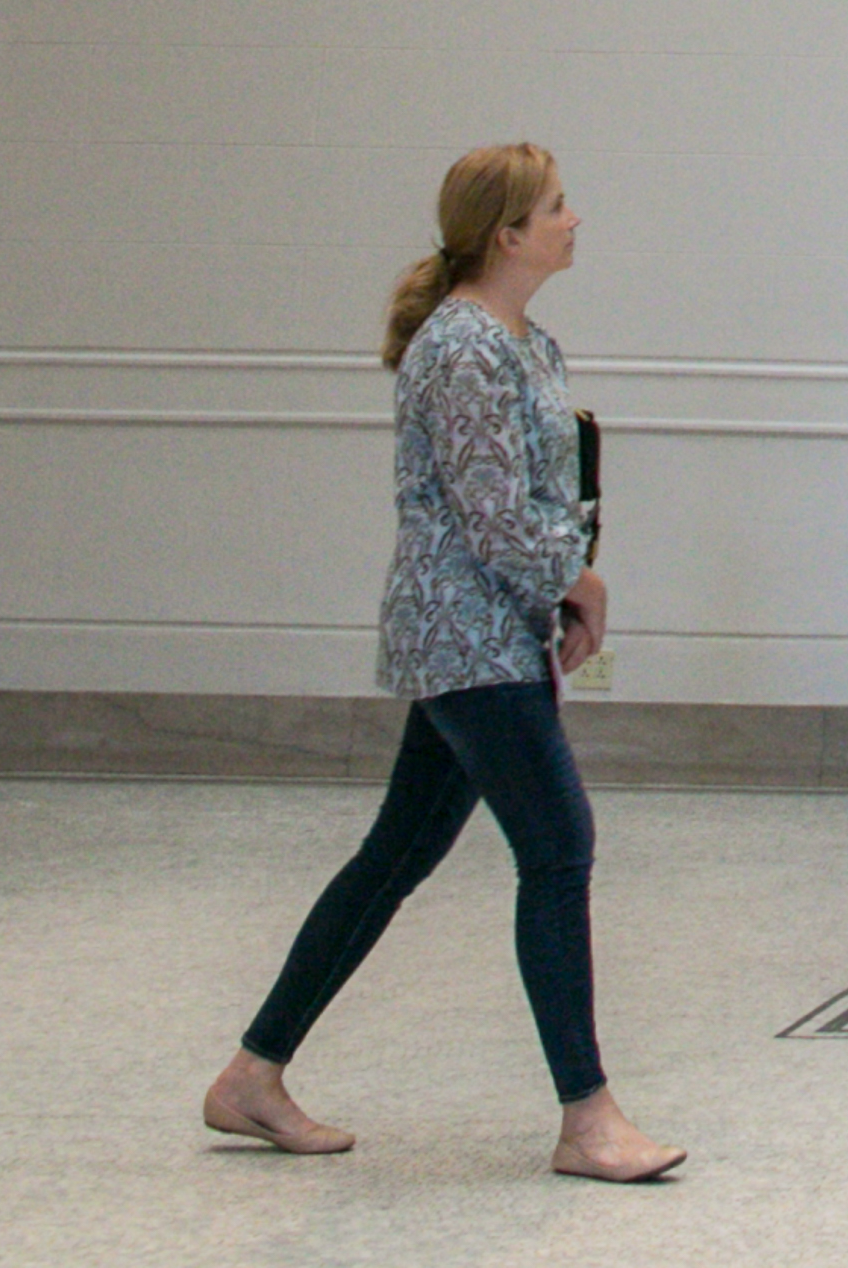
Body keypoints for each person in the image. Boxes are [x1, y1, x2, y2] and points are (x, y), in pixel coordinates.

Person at [200, 141, 684, 1183]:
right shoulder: (464, 346)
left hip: (496, 632)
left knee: (396, 855)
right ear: (506, 234)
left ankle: (252, 1074)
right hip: (463, 634)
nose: (575, 219)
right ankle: (587, 1116)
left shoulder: (530, 342)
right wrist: (579, 582)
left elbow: (540, 495)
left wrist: (561, 585)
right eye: (557, 206)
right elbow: (492, 512)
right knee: (558, 847)